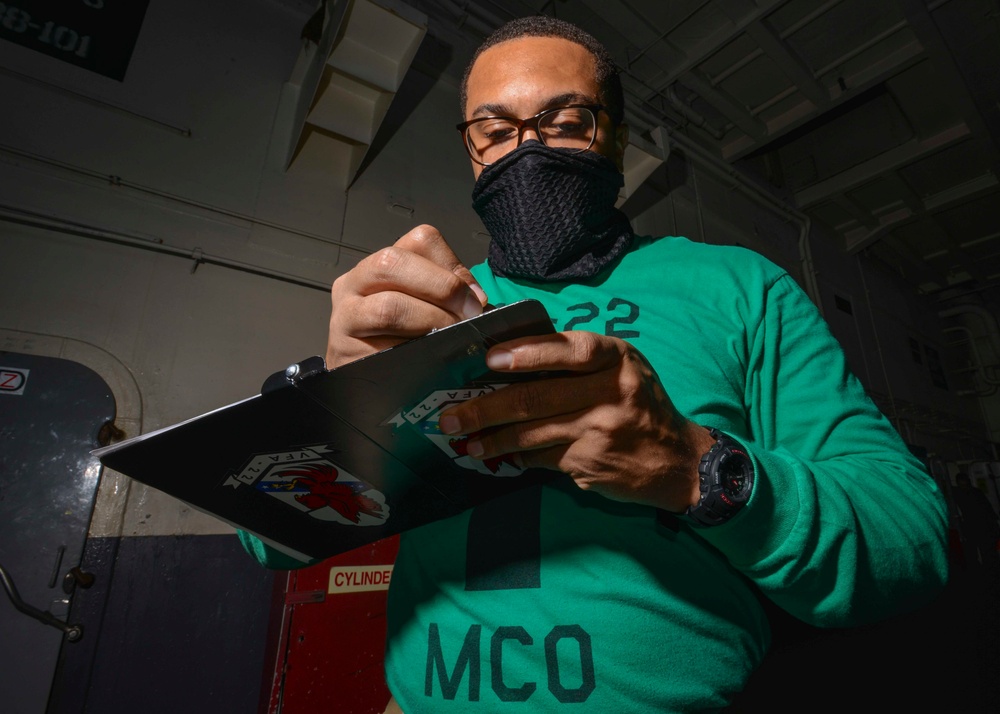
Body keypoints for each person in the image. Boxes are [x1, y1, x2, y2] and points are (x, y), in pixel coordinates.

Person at [242, 16, 948, 711]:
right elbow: (268, 542)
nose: (527, 151)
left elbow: (911, 542)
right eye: (494, 131)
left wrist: (694, 468)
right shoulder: (426, 310)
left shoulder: (741, 289)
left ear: (614, 133)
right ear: (472, 151)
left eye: (565, 120)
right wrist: (337, 408)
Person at [953, 472, 999, 571]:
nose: (964, 486)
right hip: (976, 525)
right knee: (980, 551)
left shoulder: (968, 493)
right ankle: (985, 569)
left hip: (979, 525)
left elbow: (987, 508)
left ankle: (986, 570)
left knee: (984, 550)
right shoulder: (969, 492)